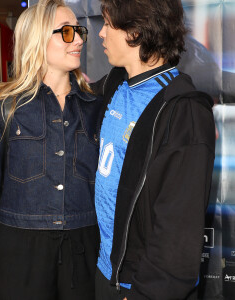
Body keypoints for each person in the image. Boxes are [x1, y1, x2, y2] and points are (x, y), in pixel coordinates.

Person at [0, 1, 101, 300]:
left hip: (85, 250)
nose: (78, 39)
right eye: (66, 32)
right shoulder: (3, 109)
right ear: (36, 37)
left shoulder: (97, 109)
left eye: (79, 31)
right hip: (19, 253)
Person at [92, 0, 216, 299]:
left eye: (108, 24)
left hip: (141, 287)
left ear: (135, 31)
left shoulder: (184, 113)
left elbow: (177, 233)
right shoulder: (114, 85)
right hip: (104, 274)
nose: (100, 34)